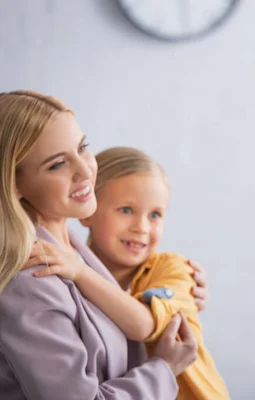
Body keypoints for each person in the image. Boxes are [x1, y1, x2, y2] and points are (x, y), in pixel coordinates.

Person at [0, 90, 200, 399]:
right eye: (57, 165)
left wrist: (180, 295)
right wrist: (164, 367)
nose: (85, 171)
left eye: (82, 147)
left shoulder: (74, 253)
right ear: (14, 184)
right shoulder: (31, 280)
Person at [25, 146, 230, 400]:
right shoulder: (66, 272)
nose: (141, 227)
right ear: (88, 211)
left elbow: (144, 325)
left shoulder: (174, 269)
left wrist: (79, 272)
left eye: (155, 214)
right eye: (126, 210)